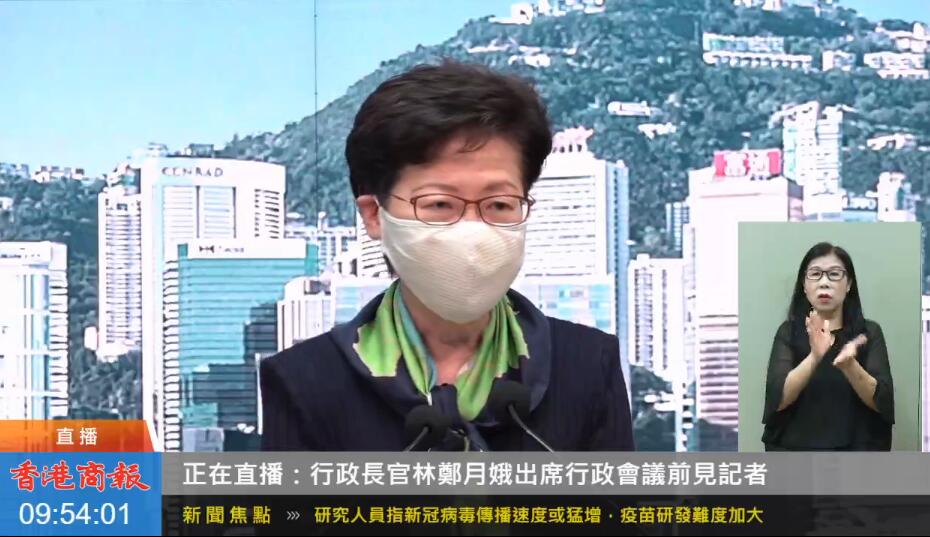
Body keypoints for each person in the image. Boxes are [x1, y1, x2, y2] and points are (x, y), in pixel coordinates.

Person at [260, 61, 635, 451]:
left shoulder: (588, 364)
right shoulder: (305, 380)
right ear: (374, 215)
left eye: (499, 204)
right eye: (439, 204)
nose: (472, 231)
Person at [762, 242, 894, 451]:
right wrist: (815, 357)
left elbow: (883, 403)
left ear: (849, 284)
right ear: (804, 285)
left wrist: (850, 365)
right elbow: (777, 400)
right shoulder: (788, 332)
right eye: (815, 274)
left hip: (858, 454)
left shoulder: (868, 333)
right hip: (795, 455)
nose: (824, 282)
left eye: (834, 274)